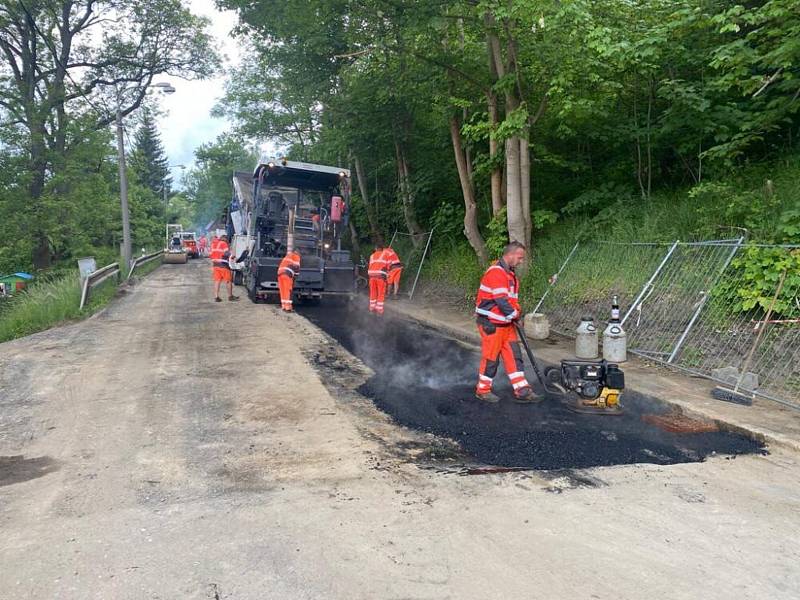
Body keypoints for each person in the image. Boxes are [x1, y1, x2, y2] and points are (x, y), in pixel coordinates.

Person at [474, 241, 538, 404]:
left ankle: (522, 389)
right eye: (520, 257)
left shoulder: (510, 274)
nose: (521, 261)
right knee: (491, 359)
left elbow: (510, 300)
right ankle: (483, 390)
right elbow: (501, 300)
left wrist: (516, 316)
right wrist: (515, 315)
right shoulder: (496, 272)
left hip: (506, 324)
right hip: (491, 324)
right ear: (510, 255)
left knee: (514, 356)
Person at [209, 234, 239, 303]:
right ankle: (230, 296)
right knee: (228, 281)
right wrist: (234, 257)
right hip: (223, 265)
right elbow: (227, 253)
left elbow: (210, 255)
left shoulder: (213, 244)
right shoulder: (224, 243)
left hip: (215, 265)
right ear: (226, 239)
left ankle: (216, 297)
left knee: (217, 281)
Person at [367, 240, 390, 315]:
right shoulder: (385, 255)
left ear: (376, 248)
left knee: (373, 292)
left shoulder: (372, 256)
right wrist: (388, 274)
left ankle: (371, 309)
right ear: (382, 248)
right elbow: (388, 266)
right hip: (380, 277)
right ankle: (379, 310)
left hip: (372, 276)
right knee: (381, 293)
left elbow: (371, 265)